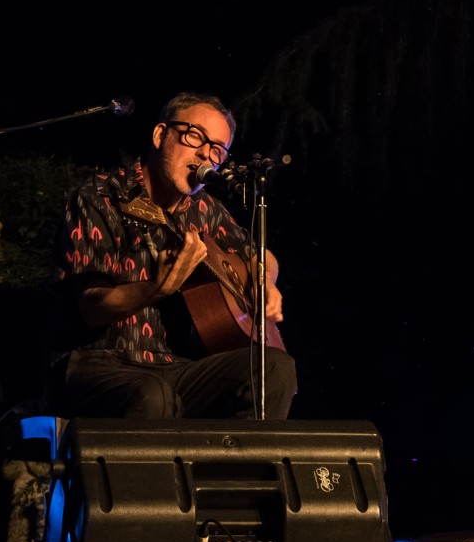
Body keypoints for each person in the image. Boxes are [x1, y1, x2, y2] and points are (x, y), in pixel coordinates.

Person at [50, 91, 297, 421]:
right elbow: (92, 306)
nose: (204, 155)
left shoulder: (206, 209)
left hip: (178, 370)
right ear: (159, 134)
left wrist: (265, 280)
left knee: (274, 368)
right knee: (153, 395)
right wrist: (156, 289)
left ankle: (234, 473)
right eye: (195, 136)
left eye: (217, 150)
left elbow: (259, 254)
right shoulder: (102, 196)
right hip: (100, 363)